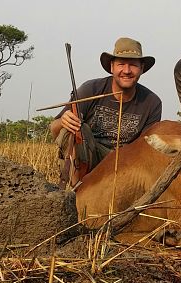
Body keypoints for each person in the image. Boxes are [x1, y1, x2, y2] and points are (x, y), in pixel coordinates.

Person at [50, 37, 162, 189]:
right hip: (89, 158)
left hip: (126, 165)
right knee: (74, 129)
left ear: (142, 68)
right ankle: (76, 192)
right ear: (112, 67)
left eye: (133, 65)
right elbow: (54, 129)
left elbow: (146, 150)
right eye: (121, 64)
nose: (127, 71)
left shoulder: (152, 103)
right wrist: (64, 121)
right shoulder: (91, 89)